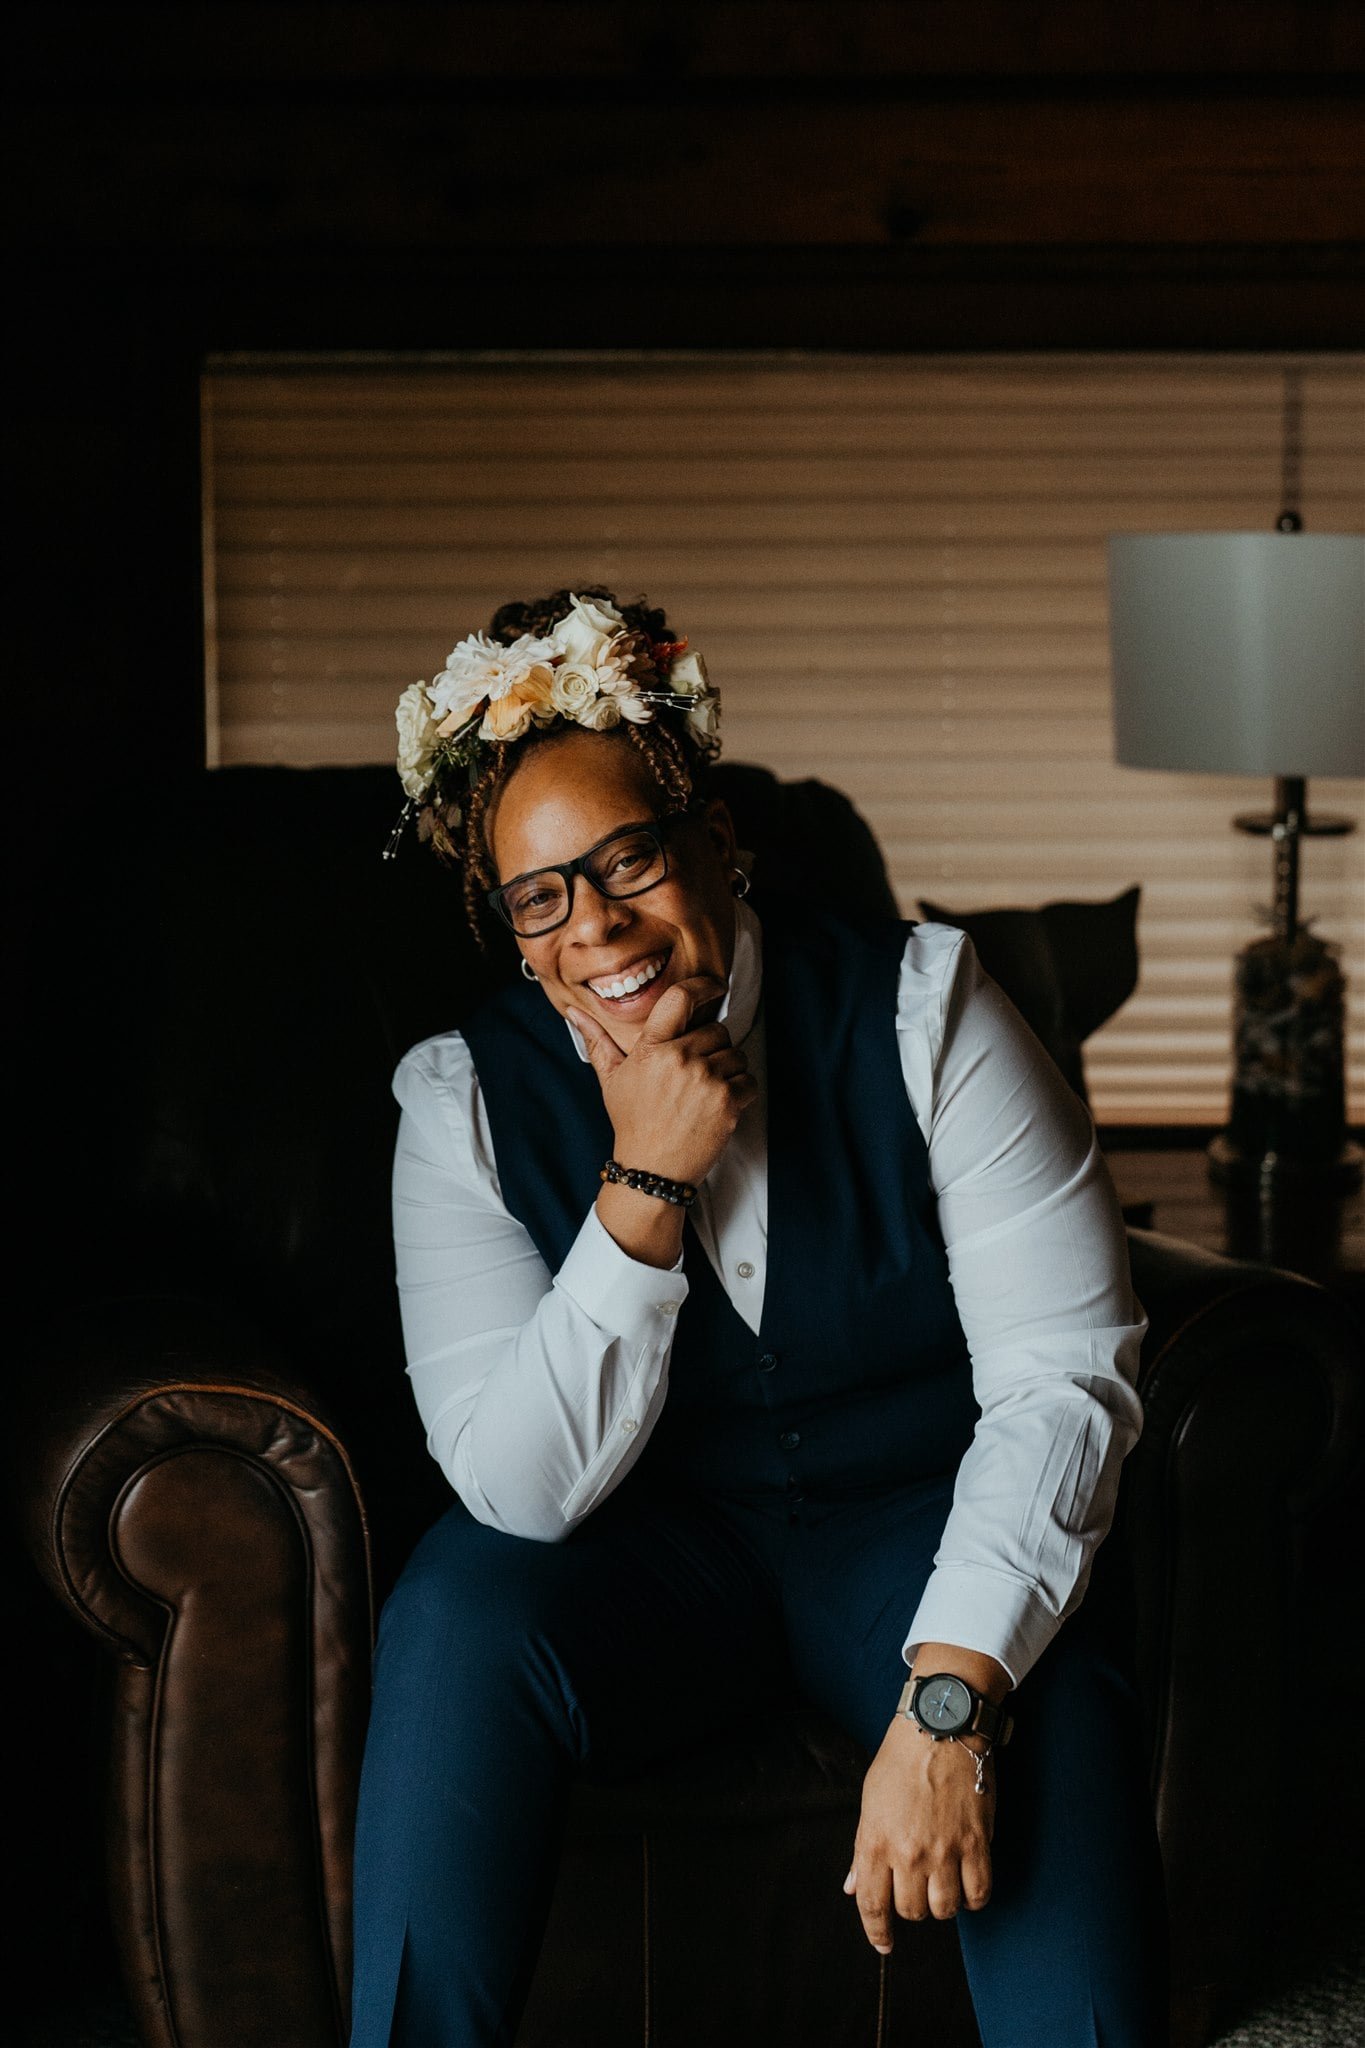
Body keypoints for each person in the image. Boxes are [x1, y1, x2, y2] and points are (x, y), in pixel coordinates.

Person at [351, 586, 1172, 2046]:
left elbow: (1064, 1382)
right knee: (459, 1606)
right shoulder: (458, 1103)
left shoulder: (928, 1012)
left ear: (715, 845)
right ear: (515, 936)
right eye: (541, 898)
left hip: (915, 1531)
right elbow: (517, 1493)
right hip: (649, 1567)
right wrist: (642, 1186)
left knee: (1037, 1696)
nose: (598, 926)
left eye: (629, 862)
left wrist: (948, 1700)